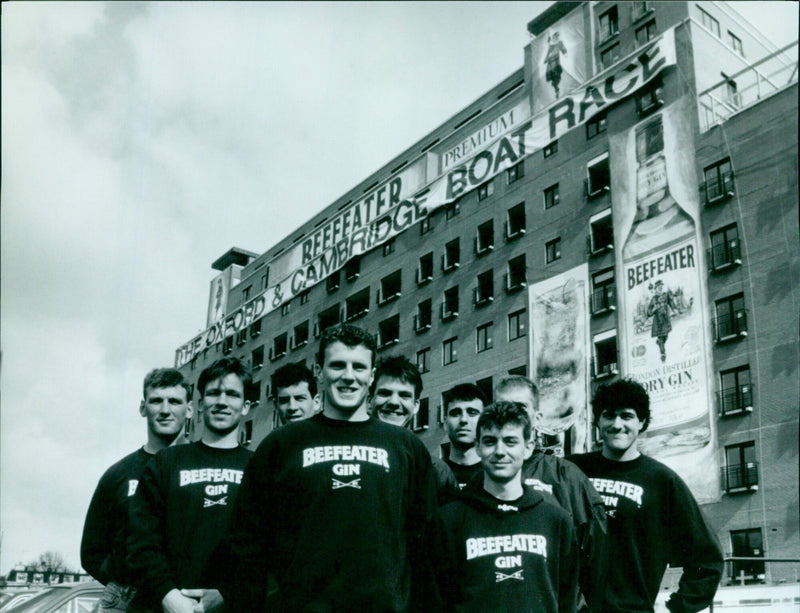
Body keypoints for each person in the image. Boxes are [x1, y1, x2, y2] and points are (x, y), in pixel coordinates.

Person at [219, 324, 438, 611]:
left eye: (359, 367)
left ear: (371, 375)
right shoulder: (281, 445)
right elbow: (247, 543)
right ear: (320, 371)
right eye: (337, 366)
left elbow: (427, 547)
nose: (349, 376)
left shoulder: (406, 448)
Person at [569, 379, 723, 612]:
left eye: (627, 416)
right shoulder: (571, 470)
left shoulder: (661, 480)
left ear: (641, 422)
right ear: (598, 422)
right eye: (608, 415)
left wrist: (680, 607)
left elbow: (707, 556)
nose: (617, 424)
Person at [126, 358, 254, 613]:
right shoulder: (167, 462)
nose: (221, 401)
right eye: (213, 393)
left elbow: (265, 546)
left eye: (232, 394)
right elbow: (140, 539)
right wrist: (167, 594)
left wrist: (228, 592)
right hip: (165, 606)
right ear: (199, 404)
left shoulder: (259, 467)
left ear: (246, 406)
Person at [430, 402, 579, 612]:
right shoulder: (448, 520)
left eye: (510, 441)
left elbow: (569, 602)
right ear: (478, 447)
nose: (500, 451)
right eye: (490, 442)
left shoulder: (557, 521)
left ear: (528, 447)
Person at [81, 368, 193, 613]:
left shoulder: (203, 468)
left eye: (174, 401)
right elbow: (91, 550)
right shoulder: (118, 474)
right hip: (128, 599)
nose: (165, 410)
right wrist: (124, 580)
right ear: (143, 408)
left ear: (190, 409)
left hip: (188, 598)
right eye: (156, 401)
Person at [495, 375, 607, 613]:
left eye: (520, 408)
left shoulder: (566, 476)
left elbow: (596, 560)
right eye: (503, 407)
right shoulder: (481, 480)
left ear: (536, 417)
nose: (510, 416)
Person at [371, 355, 459, 503]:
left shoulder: (435, 470)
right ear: (369, 400)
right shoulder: (345, 458)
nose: (393, 402)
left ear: (416, 406)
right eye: (385, 393)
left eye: (404, 396)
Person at [442, 383, 486, 489]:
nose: (463, 420)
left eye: (472, 412)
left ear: (484, 422)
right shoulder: (432, 474)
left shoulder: (496, 474)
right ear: (445, 423)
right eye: (455, 413)